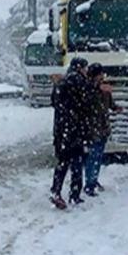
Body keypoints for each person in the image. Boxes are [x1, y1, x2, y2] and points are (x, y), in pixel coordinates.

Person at [50, 57, 92, 209]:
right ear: (80, 68)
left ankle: (56, 190)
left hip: (62, 130)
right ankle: (74, 194)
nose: (86, 71)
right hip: (76, 130)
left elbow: (54, 103)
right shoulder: (80, 82)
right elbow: (87, 104)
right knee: (77, 162)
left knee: (62, 162)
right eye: (85, 68)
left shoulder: (61, 83)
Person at [84, 63, 122, 196]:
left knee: (98, 156)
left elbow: (110, 104)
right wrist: (98, 88)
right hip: (93, 129)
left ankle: (94, 180)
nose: (102, 76)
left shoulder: (104, 90)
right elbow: (87, 99)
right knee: (92, 156)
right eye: (100, 74)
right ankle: (89, 184)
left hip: (103, 127)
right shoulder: (88, 89)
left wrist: (116, 108)